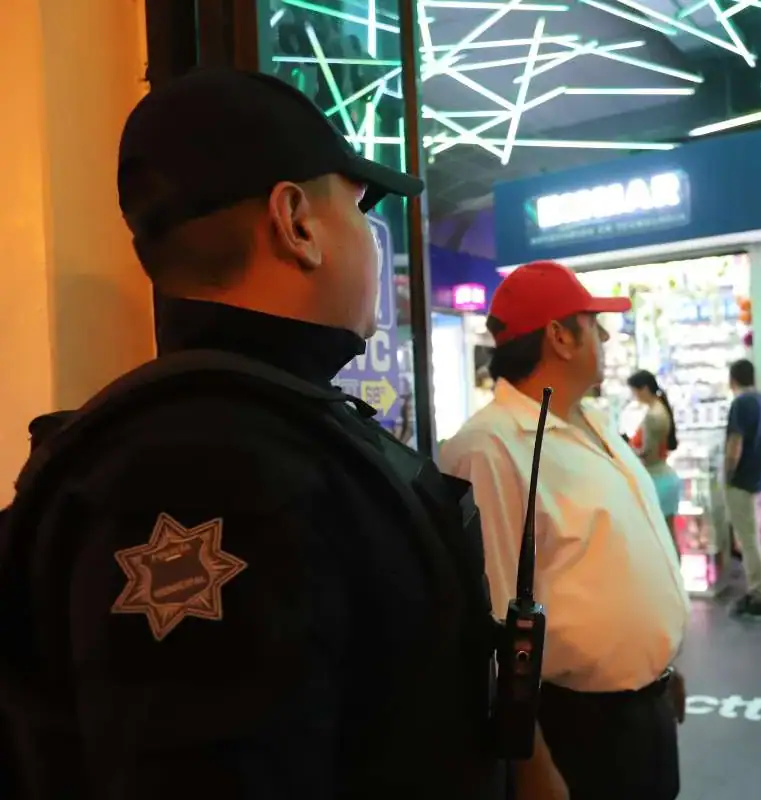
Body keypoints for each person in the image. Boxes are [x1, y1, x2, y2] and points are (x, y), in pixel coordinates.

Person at [0, 69, 507, 799]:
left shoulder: (204, 440)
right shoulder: (220, 472)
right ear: (295, 222)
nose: (373, 242)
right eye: (362, 213)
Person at [439, 260, 690, 800]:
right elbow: (489, 625)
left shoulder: (593, 422)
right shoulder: (491, 448)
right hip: (574, 730)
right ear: (559, 337)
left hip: (644, 710)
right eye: (592, 323)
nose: (603, 335)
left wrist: (659, 661)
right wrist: (529, 764)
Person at [724, 359, 761, 621]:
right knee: (755, 537)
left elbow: (735, 443)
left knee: (748, 541)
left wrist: (728, 472)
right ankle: (760, 589)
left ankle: (758, 595)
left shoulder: (740, 404)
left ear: (732, 380)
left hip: (743, 481)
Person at [627, 370, 683, 550]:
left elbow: (647, 453)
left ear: (643, 389)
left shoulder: (653, 415)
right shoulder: (660, 408)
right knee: (669, 533)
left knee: (660, 537)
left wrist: (629, 451)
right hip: (664, 476)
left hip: (657, 478)